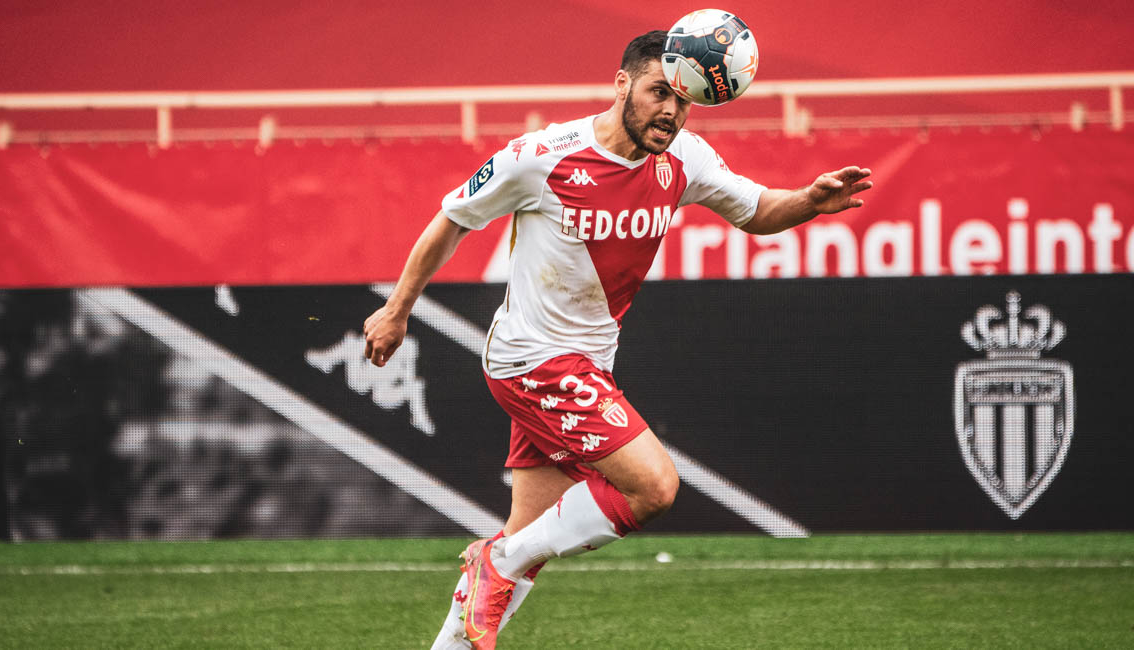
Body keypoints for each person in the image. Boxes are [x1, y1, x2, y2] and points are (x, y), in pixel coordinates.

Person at [363, 29, 872, 650]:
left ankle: (486, 584)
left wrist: (809, 201)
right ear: (622, 83)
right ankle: (498, 562)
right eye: (660, 92)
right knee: (653, 488)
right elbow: (453, 218)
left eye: (684, 100)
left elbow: (757, 210)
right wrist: (396, 310)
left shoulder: (684, 159)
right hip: (533, 361)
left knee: (528, 539)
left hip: (588, 366)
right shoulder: (542, 155)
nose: (671, 111)